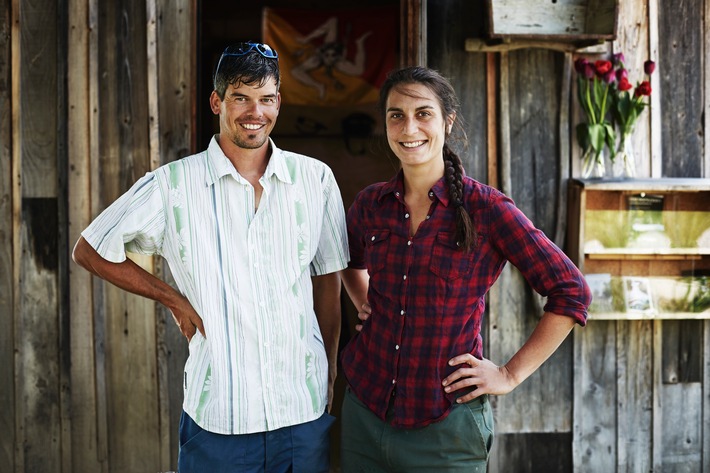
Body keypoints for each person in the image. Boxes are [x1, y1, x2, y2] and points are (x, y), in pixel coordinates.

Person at [72, 42, 349, 473]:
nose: (254, 111)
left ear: (279, 103)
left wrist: (330, 368)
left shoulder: (315, 179)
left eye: (266, 99)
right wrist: (173, 299)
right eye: (241, 97)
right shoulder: (173, 186)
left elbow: (327, 279)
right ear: (217, 101)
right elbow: (90, 249)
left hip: (301, 411)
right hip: (219, 415)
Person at [339, 66, 592, 472]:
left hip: (445, 427)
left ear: (447, 120)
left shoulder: (487, 209)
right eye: (396, 115)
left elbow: (572, 291)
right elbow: (348, 262)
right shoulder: (371, 204)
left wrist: (509, 374)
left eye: (423, 113)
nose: (409, 127)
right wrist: (365, 301)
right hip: (364, 414)